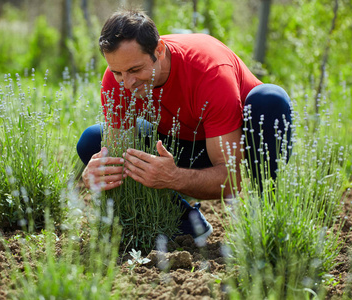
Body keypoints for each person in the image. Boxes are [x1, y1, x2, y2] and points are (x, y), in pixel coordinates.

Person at [77, 9, 292, 243]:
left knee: (270, 99)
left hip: (241, 142)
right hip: (179, 141)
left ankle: (268, 218)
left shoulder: (210, 71)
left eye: (135, 70)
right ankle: (184, 222)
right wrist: (99, 175)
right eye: (118, 72)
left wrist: (173, 177)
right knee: (92, 140)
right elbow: (117, 156)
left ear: (158, 51)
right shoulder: (116, 80)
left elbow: (232, 180)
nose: (127, 83)